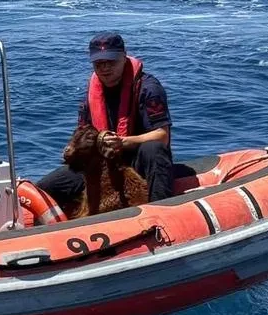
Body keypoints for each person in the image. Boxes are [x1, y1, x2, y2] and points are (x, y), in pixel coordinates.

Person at [37, 31, 175, 207]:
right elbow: (83, 132)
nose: (104, 68)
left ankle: (160, 210)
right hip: (103, 162)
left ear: (124, 58)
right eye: (99, 63)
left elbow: (162, 135)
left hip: (137, 159)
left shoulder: (148, 88)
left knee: (153, 149)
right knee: (47, 186)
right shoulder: (90, 93)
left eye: (111, 62)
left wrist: (123, 142)